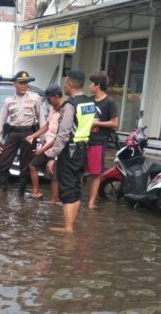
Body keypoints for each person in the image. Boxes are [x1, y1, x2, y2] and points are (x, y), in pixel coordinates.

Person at [46, 70, 96, 233]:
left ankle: (68, 228)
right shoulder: (89, 102)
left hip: (70, 149)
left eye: (65, 83)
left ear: (70, 84)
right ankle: (71, 225)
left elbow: (64, 132)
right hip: (83, 148)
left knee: (67, 188)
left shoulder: (70, 105)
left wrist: (53, 155)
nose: (64, 86)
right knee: (75, 186)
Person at [0, 70, 42, 194]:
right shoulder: (9, 101)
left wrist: (44, 139)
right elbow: (1, 120)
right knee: (3, 161)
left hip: (29, 133)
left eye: (26, 82)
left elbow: (42, 119)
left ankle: (21, 193)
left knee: (25, 165)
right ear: (14, 83)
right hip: (13, 133)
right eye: (21, 83)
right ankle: (1, 189)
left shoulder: (35, 99)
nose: (24, 85)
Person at [86, 71, 119, 209]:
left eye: (91, 83)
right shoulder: (89, 100)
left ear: (97, 85)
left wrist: (96, 123)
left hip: (99, 141)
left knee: (95, 173)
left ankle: (91, 202)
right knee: (80, 171)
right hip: (85, 140)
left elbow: (114, 123)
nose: (89, 86)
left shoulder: (109, 102)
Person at [26, 84, 63, 203]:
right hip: (48, 145)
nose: (48, 102)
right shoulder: (53, 109)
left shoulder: (64, 111)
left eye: (49, 99)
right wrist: (33, 135)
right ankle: (36, 192)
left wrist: (42, 150)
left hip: (57, 148)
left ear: (56, 97)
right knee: (33, 165)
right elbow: (46, 126)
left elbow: (58, 138)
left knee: (53, 174)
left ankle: (54, 201)